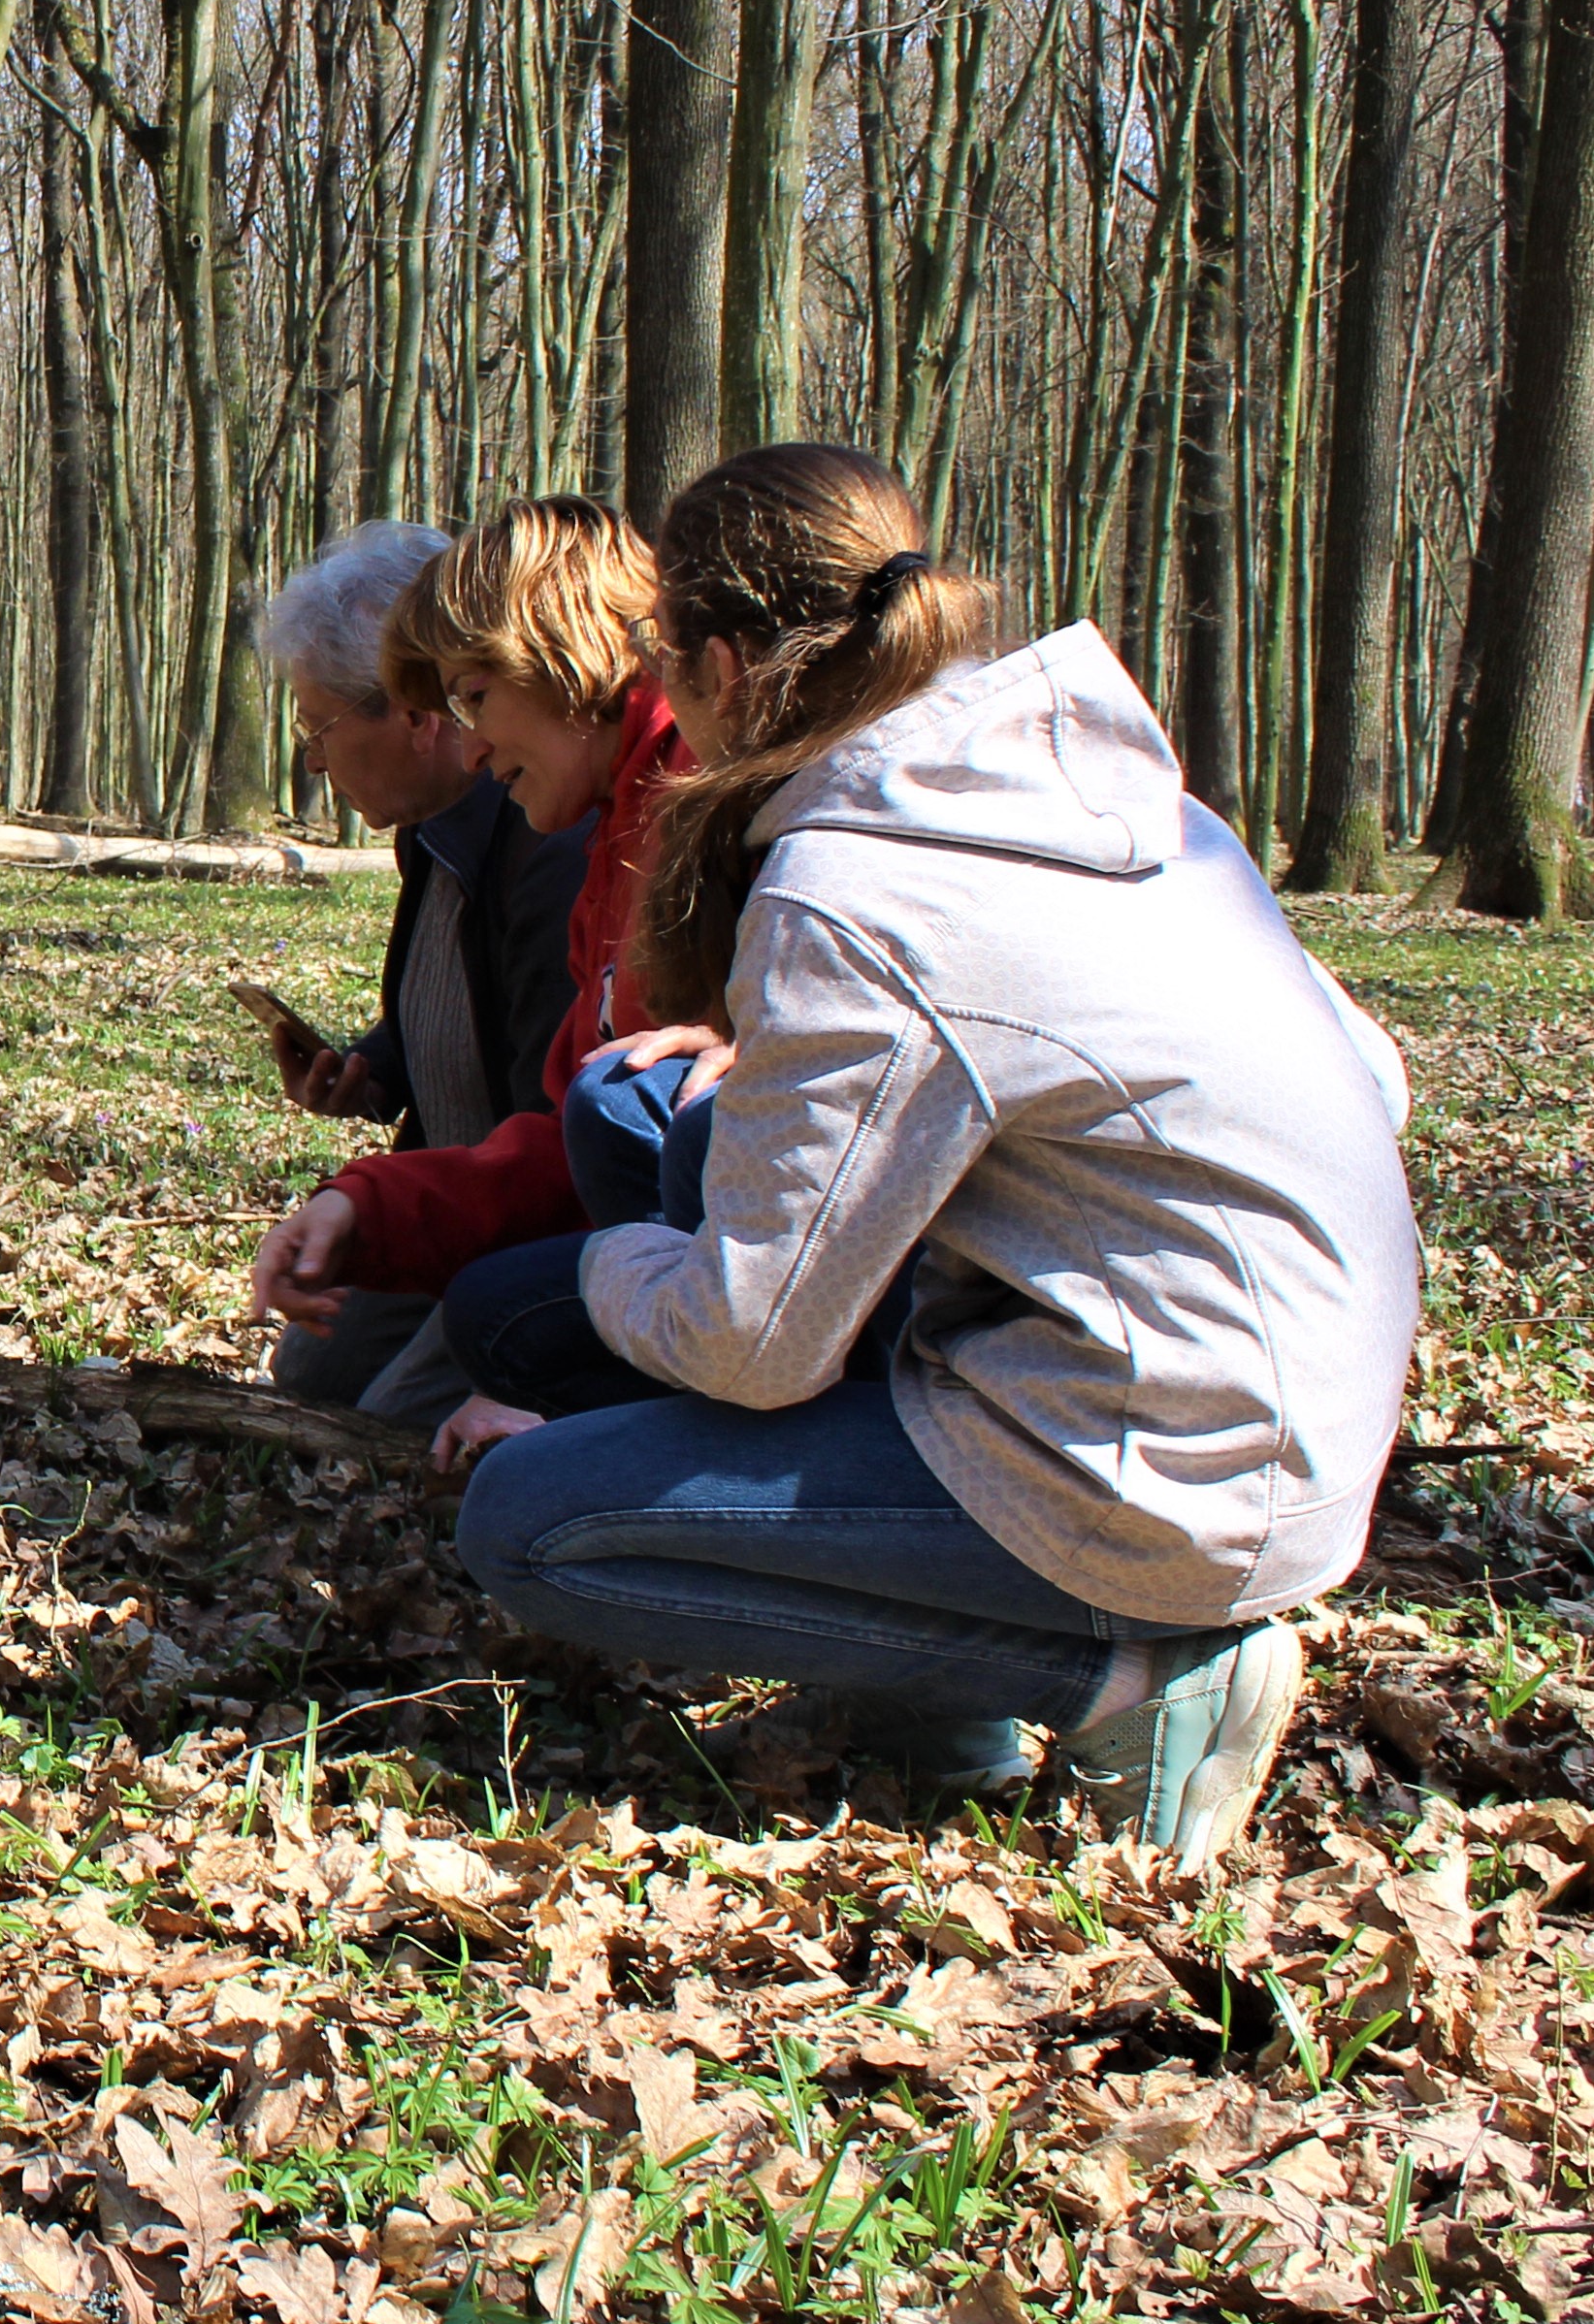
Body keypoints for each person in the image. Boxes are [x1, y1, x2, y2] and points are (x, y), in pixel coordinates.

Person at [446, 445, 1416, 1865]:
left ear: (717, 663)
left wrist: (604, 1268)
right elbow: (1373, 1073)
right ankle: (928, 1710)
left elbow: (751, 1342)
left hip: (1161, 1475)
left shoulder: (852, 885)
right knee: (686, 1128)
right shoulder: (1111, 790)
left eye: (666, 654)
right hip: (1301, 1420)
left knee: (529, 1521)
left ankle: (1136, 1680)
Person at [244, 499, 686, 1391]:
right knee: (319, 1374)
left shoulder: (618, 836)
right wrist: (360, 1185)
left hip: (640, 1268)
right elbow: (558, 1119)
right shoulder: (559, 831)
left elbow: (603, 1148)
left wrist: (531, 1392)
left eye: (473, 698)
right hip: (514, 1209)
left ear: (559, 663)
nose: (474, 742)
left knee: (436, 1417)